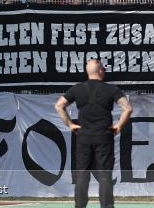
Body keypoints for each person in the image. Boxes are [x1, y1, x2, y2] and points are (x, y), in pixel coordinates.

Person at [55, 59, 133, 208]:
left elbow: (59, 105)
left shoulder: (77, 89)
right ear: (101, 71)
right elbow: (127, 108)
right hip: (104, 136)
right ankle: (107, 206)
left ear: (87, 72)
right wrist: (118, 126)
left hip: (83, 137)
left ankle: (80, 206)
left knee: (82, 174)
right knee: (104, 174)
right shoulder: (111, 89)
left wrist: (70, 124)